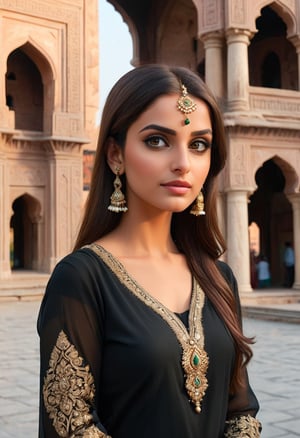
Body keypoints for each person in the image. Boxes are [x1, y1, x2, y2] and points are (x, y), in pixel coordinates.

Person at [38, 64, 261, 437]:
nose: (183, 164)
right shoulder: (82, 279)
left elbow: (241, 409)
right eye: (157, 140)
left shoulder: (219, 278)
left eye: (199, 145)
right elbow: (72, 426)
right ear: (115, 155)